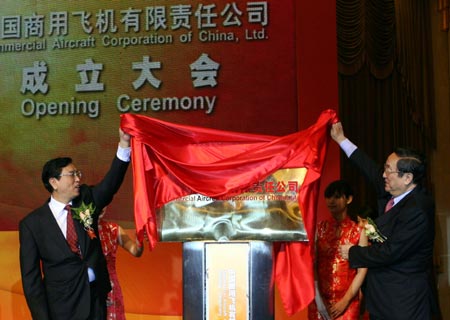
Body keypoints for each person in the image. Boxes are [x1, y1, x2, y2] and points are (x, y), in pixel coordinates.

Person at [19, 128, 131, 320]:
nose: (78, 178)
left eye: (78, 173)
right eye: (72, 174)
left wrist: (124, 145)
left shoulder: (86, 199)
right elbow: (31, 279)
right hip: (62, 308)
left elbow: (110, 184)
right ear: (54, 182)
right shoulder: (32, 224)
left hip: (96, 300)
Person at [331, 122, 438, 320]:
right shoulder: (396, 190)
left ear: (407, 178)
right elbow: (369, 169)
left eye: (388, 170)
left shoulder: (418, 210)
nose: (383, 174)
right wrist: (341, 140)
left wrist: (354, 252)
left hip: (404, 303)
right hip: (385, 299)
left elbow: (392, 251)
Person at [308, 180, 368, 320]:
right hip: (320, 300)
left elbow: (362, 270)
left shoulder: (359, 231)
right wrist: (318, 300)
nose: (331, 201)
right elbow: (312, 265)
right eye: (328, 197)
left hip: (348, 301)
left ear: (349, 199)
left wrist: (345, 301)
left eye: (336, 196)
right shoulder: (319, 228)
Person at [98, 207, 144, 320]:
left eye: (105, 203)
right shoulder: (78, 230)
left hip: (110, 286)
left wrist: (140, 241)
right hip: (86, 286)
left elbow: (136, 251)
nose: (102, 207)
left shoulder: (113, 229)